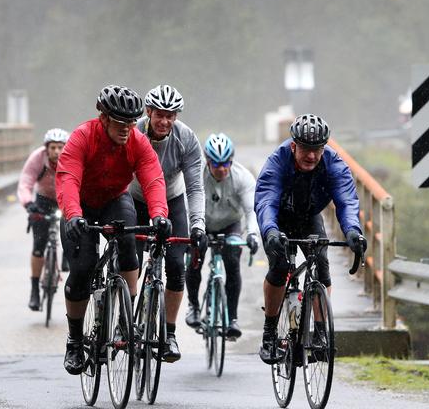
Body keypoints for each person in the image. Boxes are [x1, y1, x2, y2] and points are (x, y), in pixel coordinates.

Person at [56, 85, 171, 375]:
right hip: (80, 204)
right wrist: (72, 215)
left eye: (132, 123)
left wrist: (159, 215)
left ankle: (125, 315)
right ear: (104, 118)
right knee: (82, 269)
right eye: (121, 123)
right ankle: (74, 339)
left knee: (130, 243)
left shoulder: (137, 141)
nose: (127, 129)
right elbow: (68, 177)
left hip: (114, 199)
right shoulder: (82, 137)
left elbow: (153, 179)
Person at [255, 113, 366, 364]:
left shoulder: (333, 163)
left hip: (308, 217)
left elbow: (347, 202)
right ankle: (270, 332)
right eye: (305, 149)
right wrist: (271, 231)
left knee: (322, 265)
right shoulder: (278, 161)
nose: (311, 156)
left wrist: (353, 232)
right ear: (294, 145)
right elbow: (266, 200)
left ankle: (319, 333)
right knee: (279, 266)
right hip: (278, 219)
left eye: (317, 149)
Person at [129, 84, 205, 362]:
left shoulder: (186, 138)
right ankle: (124, 318)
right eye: (159, 114)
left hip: (172, 199)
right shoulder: (133, 132)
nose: (164, 121)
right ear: (148, 112)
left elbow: (196, 187)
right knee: (131, 260)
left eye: (170, 116)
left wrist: (198, 226)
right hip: (135, 198)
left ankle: (169, 333)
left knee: (176, 265)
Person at [184, 133, 260, 339]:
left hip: (230, 224)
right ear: (207, 161)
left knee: (232, 263)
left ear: (231, 160)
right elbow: (185, 205)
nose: (221, 168)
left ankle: (232, 319)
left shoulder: (242, 177)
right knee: (194, 259)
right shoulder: (196, 175)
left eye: (226, 163)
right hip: (201, 223)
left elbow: (251, 210)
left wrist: (252, 234)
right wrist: (189, 234)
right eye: (216, 164)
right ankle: (193, 306)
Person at [17, 127, 69, 311]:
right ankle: (34, 289)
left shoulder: (71, 157)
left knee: (72, 229)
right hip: (43, 200)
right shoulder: (37, 158)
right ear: (46, 148)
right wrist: (28, 204)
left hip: (65, 198)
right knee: (38, 246)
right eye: (52, 147)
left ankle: (67, 257)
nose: (56, 151)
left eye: (60, 147)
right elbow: (25, 181)